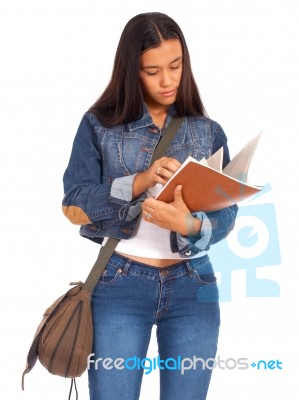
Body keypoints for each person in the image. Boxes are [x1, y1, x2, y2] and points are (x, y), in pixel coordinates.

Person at [62, 12, 238, 400]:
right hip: (119, 285)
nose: (168, 80)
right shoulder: (98, 126)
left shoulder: (208, 131)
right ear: (131, 71)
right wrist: (140, 181)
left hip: (194, 286)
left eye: (176, 66)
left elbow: (226, 217)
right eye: (152, 71)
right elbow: (73, 205)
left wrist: (189, 225)